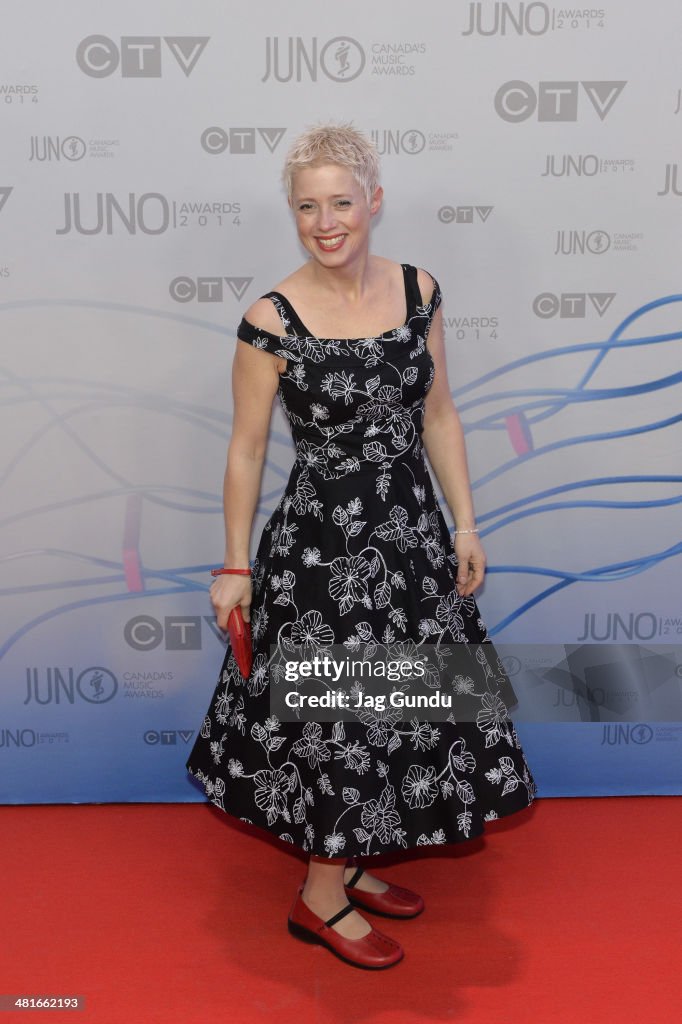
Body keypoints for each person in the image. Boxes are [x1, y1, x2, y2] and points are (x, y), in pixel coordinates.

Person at [185, 122, 537, 970]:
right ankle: (319, 897)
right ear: (295, 213)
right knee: (341, 715)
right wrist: (235, 564)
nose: (325, 221)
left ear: (373, 202)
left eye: (341, 202)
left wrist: (465, 522)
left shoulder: (419, 290)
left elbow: (441, 416)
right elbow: (245, 449)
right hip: (322, 554)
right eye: (308, 206)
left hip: (411, 536)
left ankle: (356, 856)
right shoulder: (269, 319)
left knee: (407, 706)